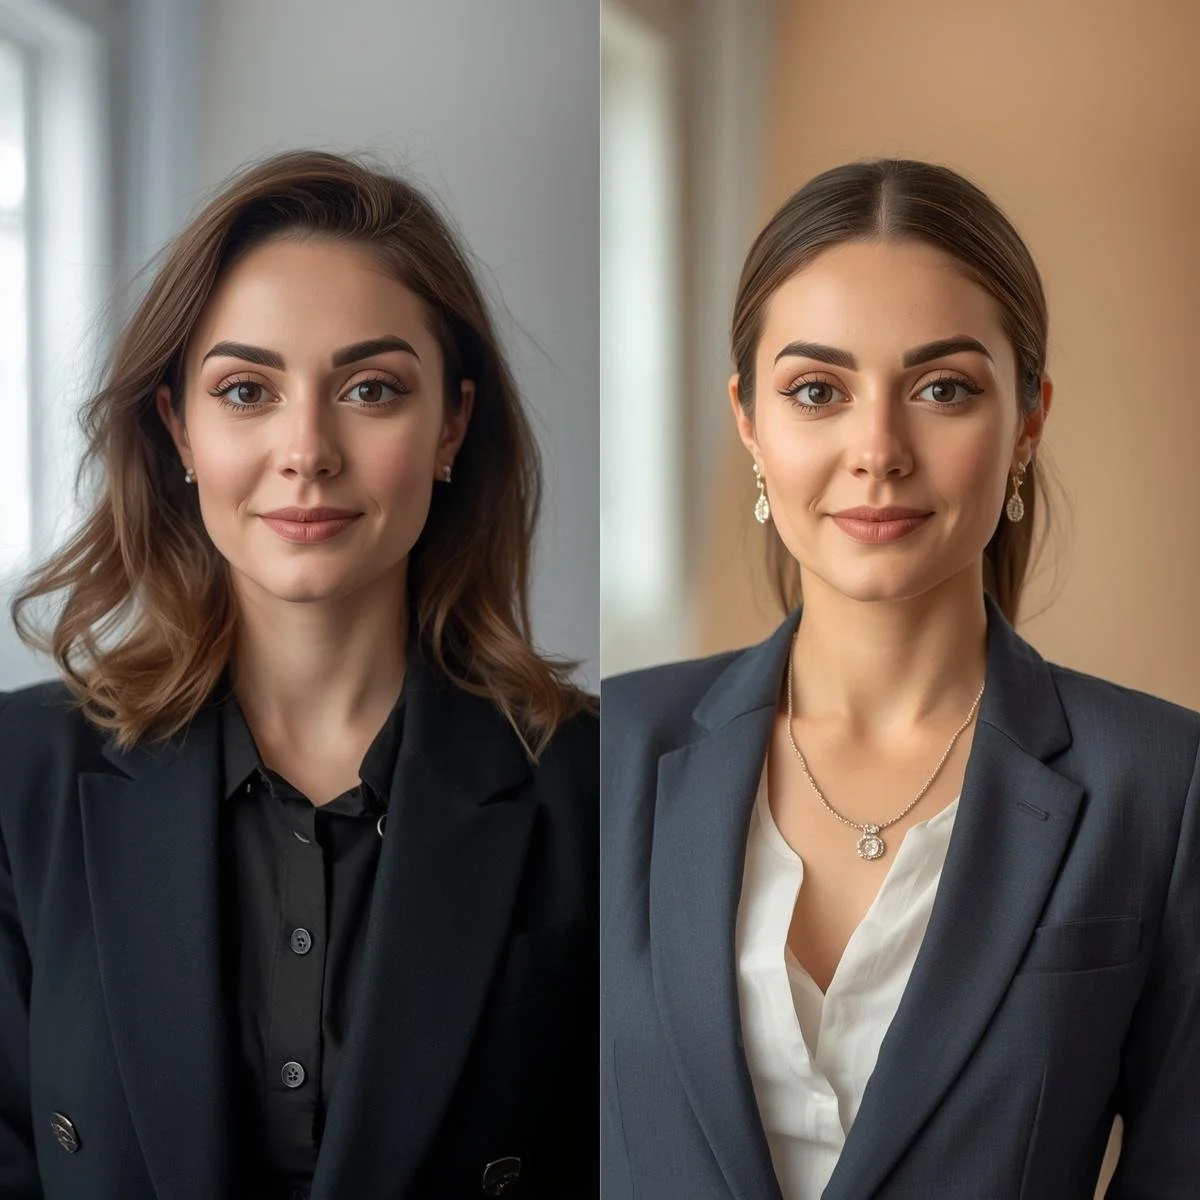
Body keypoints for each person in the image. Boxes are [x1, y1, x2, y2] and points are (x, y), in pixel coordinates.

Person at [0, 150, 598, 1200]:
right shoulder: (17, 780)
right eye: (246, 390)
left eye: (370, 389)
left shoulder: (597, 785)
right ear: (178, 428)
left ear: (452, 425)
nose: (307, 448)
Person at [601, 159, 1199, 1199]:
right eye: (817, 391)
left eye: (943, 389)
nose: (877, 450)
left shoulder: (1162, 782)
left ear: (1028, 420)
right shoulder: (603, 747)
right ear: (750, 420)